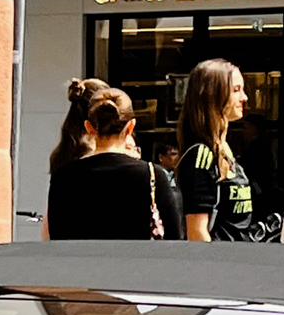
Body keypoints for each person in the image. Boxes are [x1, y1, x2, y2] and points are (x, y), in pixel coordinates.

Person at [45, 81, 183, 241]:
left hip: (81, 265)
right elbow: (175, 240)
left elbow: (56, 239)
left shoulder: (63, 177)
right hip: (138, 265)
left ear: (89, 127)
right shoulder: (152, 175)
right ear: (131, 127)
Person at [175, 60, 253, 242]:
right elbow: (197, 232)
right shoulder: (201, 155)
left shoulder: (225, 150)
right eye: (236, 90)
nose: (244, 98)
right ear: (213, 95)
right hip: (219, 265)